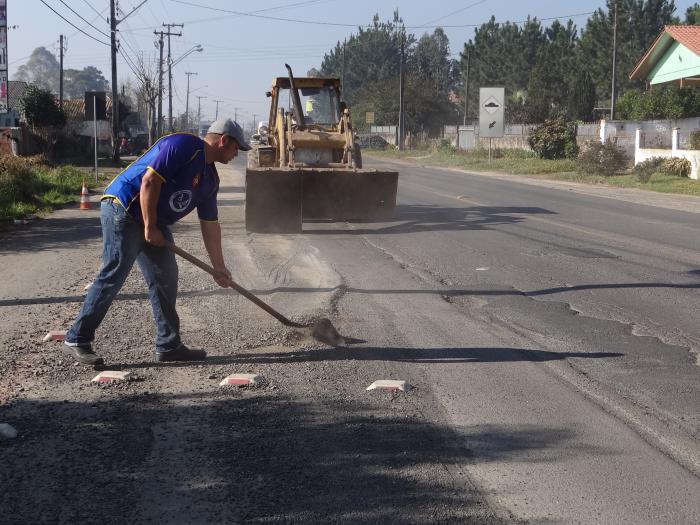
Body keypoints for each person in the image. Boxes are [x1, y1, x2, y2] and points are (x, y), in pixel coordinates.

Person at [63, 119, 251, 366]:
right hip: (125, 208)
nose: (237, 153)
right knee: (115, 272)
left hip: (153, 220)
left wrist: (218, 267)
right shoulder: (183, 146)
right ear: (224, 140)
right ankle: (77, 338)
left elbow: (210, 224)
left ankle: (169, 344)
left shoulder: (210, 180)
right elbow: (150, 181)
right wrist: (150, 227)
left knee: (166, 275)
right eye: (236, 147)